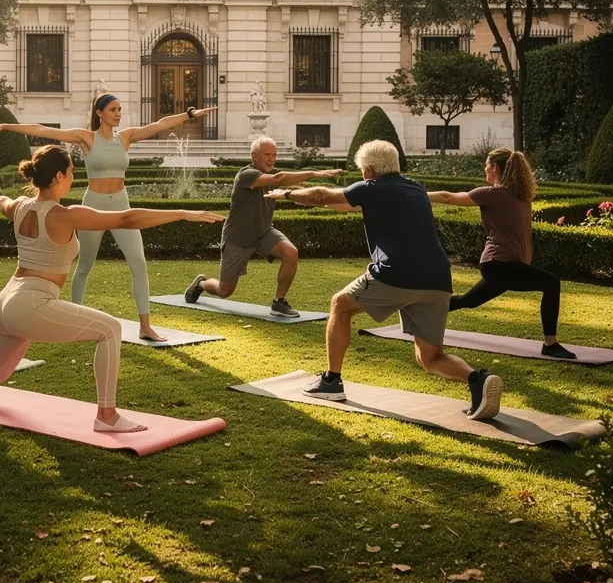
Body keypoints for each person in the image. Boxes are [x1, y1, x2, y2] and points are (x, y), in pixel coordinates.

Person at [0, 145, 225, 432]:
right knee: (110, 330)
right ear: (58, 177)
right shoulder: (65, 216)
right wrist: (185, 213)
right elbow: (127, 218)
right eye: (71, 172)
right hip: (31, 303)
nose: (73, 178)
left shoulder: (18, 206)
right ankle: (106, 415)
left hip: (7, 301)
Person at [272, 139, 504, 420]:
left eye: (361, 170)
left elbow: (322, 195)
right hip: (437, 280)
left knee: (339, 305)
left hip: (397, 275)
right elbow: (343, 203)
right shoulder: (414, 188)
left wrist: (285, 194)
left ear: (368, 170)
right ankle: (478, 379)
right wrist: (316, 198)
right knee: (429, 358)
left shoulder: (373, 188)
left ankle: (331, 381)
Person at [0, 95, 217, 341]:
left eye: (120, 109)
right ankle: (72, 319)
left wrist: (189, 114)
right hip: (94, 203)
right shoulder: (87, 138)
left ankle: (145, 327)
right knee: (84, 266)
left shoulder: (125, 137)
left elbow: (160, 124)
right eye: (113, 109)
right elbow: (42, 130)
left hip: (121, 202)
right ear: (99, 112)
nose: (118, 114)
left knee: (139, 263)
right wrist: (6, 126)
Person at [426, 147, 573, 359]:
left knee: (468, 300)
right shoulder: (512, 195)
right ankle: (550, 343)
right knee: (552, 283)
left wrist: (415, 192)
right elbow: (448, 198)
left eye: (486, 165)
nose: (484, 170)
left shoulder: (501, 194)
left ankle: (419, 312)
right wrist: (417, 194)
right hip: (499, 265)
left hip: (501, 265)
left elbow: (448, 197)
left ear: (494, 167)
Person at [183, 136, 342, 317]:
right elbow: (278, 179)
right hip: (238, 238)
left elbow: (285, 181)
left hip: (264, 232)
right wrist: (313, 173)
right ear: (254, 155)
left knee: (291, 253)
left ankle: (279, 302)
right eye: (266, 154)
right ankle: (202, 284)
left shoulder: (274, 173)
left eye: (274, 155)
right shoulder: (246, 175)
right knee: (224, 290)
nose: (271, 159)